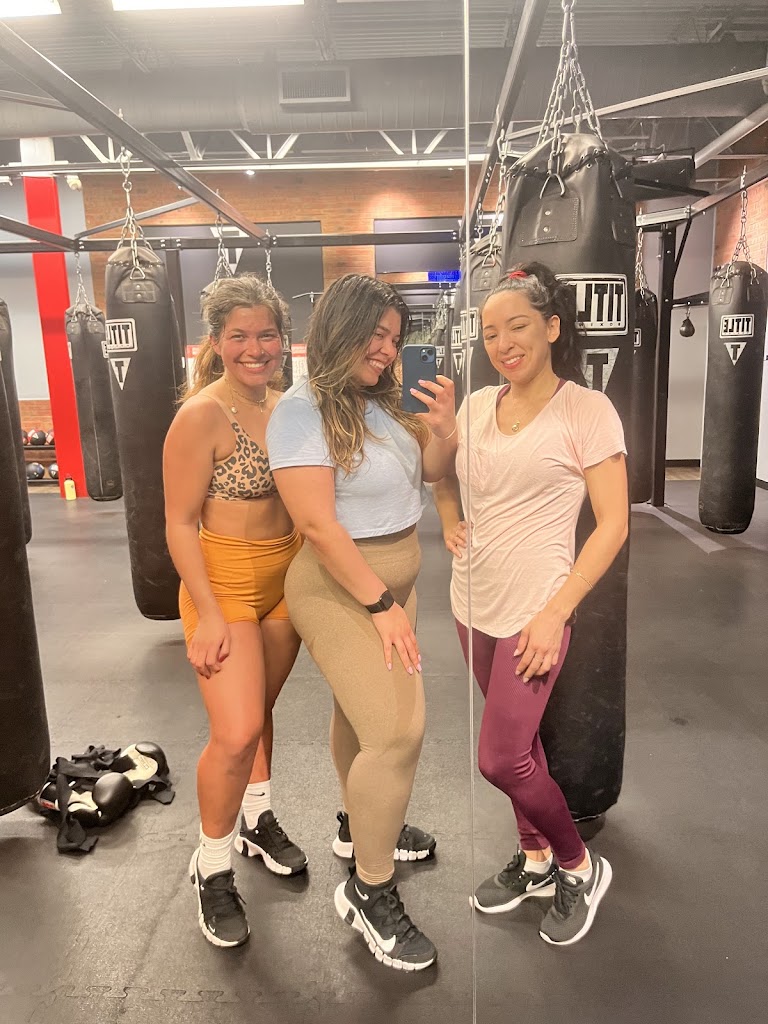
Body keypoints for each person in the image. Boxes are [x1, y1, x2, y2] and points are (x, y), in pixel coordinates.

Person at [433, 261, 628, 947]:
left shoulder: (586, 411)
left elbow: (613, 524)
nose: (503, 344)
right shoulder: (475, 406)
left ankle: (578, 865)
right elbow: (442, 477)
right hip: (471, 602)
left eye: (516, 326)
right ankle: (536, 857)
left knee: (502, 757)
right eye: (490, 333)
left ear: (551, 327)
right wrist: (448, 513)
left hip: (533, 612)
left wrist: (555, 613)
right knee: (523, 746)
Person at [266, 274, 457, 972]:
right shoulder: (299, 411)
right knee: (397, 731)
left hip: (393, 585)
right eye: (375, 335)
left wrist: (444, 430)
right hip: (341, 588)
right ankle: (369, 890)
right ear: (339, 328)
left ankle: (362, 823)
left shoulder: (381, 402)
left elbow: (430, 473)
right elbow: (318, 525)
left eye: (394, 339)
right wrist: (379, 605)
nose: (386, 350)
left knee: (360, 716)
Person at [163, 275, 307, 950]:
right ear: (216, 342)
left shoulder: (290, 407)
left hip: (285, 578)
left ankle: (257, 818)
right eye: (240, 336)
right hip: (223, 582)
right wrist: (210, 613)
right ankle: (212, 866)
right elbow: (178, 523)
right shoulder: (201, 416)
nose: (256, 349)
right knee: (236, 729)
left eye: (267, 335)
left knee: (259, 712)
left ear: (283, 339)